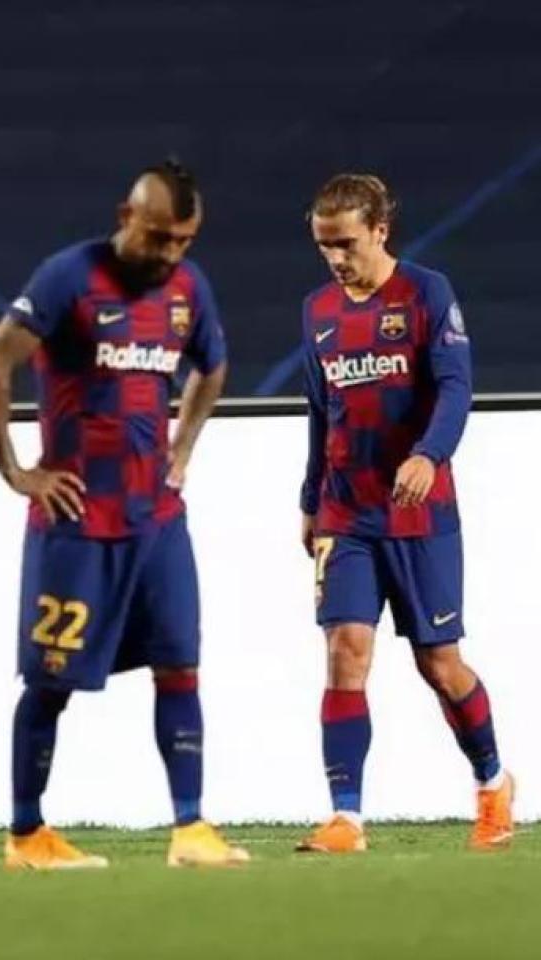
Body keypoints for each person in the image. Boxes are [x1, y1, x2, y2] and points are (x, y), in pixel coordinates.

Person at [0, 160, 246, 869]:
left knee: (181, 666)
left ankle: (191, 829)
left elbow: (212, 366)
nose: (170, 255)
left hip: (156, 518)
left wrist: (184, 442)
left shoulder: (188, 289)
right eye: (159, 238)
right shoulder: (70, 278)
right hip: (77, 523)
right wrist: (16, 473)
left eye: (183, 240)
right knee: (51, 683)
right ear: (126, 216)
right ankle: (27, 835)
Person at [295, 173, 512, 854]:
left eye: (347, 243)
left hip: (420, 512)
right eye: (324, 245)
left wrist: (429, 453)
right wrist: (309, 498)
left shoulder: (426, 292)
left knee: (440, 664)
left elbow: (456, 386)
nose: (335, 258)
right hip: (346, 513)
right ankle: (346, 819)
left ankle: (493, 782)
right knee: (345, 651)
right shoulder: (318, 310)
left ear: (380, 231)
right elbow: (319, 409)